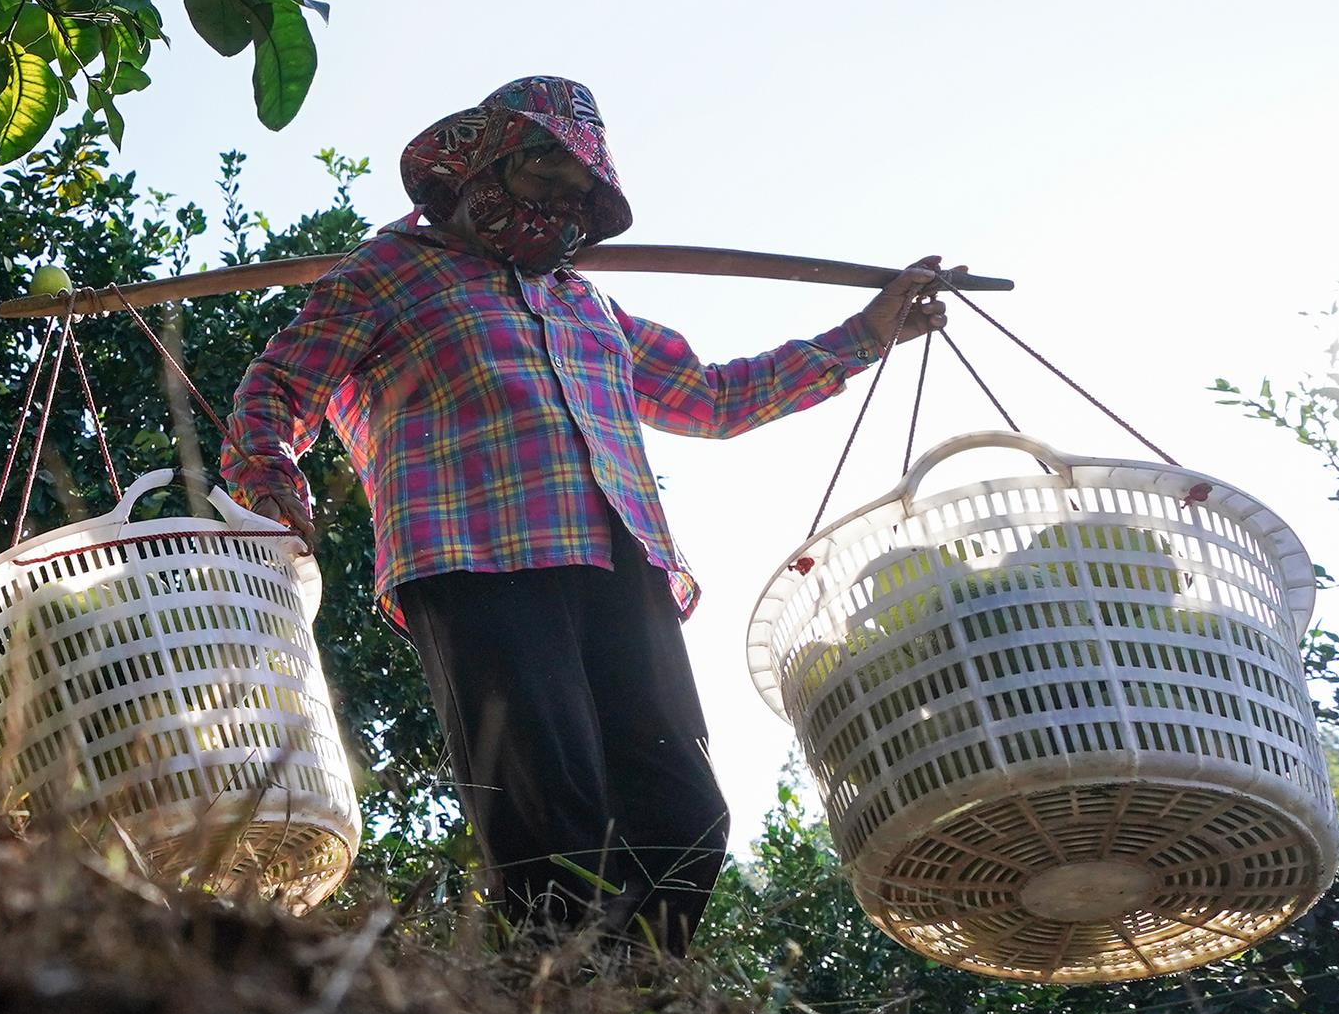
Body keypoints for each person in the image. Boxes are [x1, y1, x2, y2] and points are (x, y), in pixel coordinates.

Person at [216, 75, 954, 954]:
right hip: (475, 563)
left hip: (620, 560)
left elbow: (714, 396)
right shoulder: (390, 273)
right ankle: (560, 1008)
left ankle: (631, 997)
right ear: (485, 169)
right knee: (551, 815)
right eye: (543, 186)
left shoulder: (587, 303)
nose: (559, 216)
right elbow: (278, 389)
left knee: (683, 814)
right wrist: (273, 492)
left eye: (579, 201)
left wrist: (865, 335)